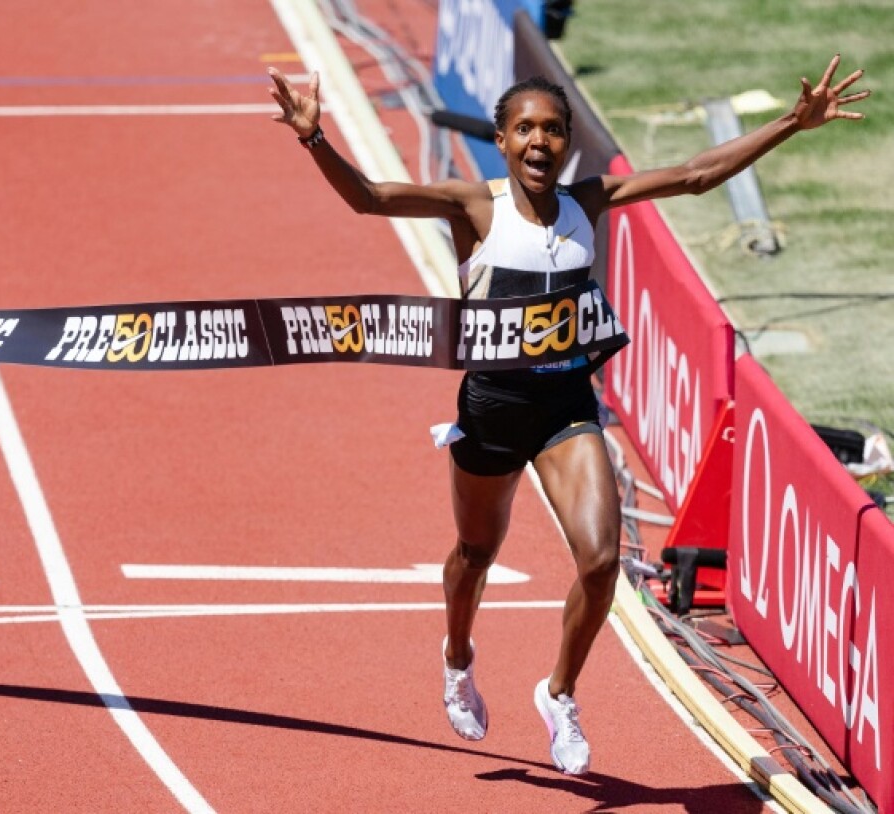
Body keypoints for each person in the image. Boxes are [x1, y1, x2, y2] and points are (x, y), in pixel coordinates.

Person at [267, 55, 867, 775]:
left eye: (553, 129)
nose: (540, 143)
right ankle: (458, 652)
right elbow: (369, 197)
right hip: (491, 411)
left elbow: (698, 174)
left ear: (567, 141)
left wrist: (789, 125)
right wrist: (313, 138)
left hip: (565, 408)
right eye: (525, 129)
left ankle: (560, 693)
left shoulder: (593, 198)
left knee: (603, 559)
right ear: (502, 139)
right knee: (476, 556)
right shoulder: (474, 207)